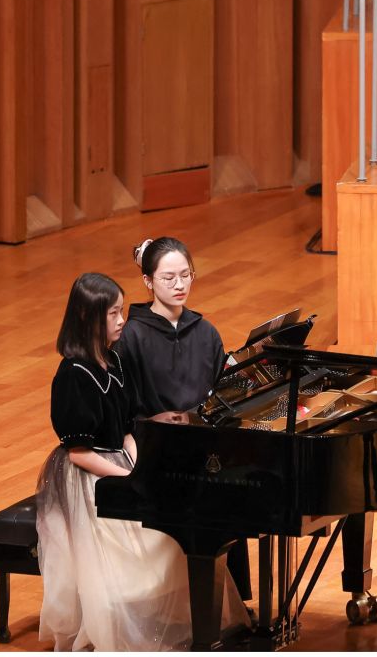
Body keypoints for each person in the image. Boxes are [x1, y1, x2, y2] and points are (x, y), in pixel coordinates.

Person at [35, 272, 242, 651]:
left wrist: (136, 463)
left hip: (118, 461)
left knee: (177, 531)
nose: (121, 321)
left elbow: (128, 428)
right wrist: (127, 476)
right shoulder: (72, 375)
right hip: (87, 476)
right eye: (113, 314)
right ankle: (124, 629)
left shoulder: (114, 360)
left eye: (121, 311)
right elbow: (79, 453)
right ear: (87, 317)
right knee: (138, 545)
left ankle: (178, 621)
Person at [114, 237, 252, 601]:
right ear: (148, 281)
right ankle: (197, 601)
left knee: (239, 484)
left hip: (203, 445)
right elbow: (121, 408)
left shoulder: (205, 332)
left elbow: (222, 396)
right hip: (154, 449)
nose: (179, 285)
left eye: (186, 275)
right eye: (168, 278)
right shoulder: (131, 337)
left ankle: (232, 601)